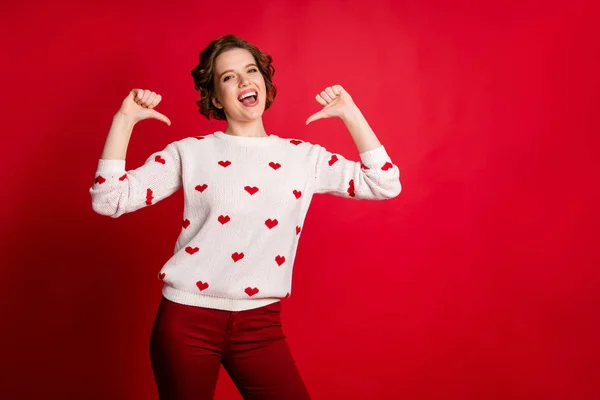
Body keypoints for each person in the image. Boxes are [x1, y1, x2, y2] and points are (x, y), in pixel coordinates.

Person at [89, 34, 401, 400]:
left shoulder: (305, 158)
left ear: (265, 85)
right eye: (228, 77)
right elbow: (109, 200)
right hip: (186, 321)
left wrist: (351, 113)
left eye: (251, 71)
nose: (243, 81)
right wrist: (124, 120)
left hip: (261, 325)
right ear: (216, 98)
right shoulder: (190, 154)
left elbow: (383, 184)